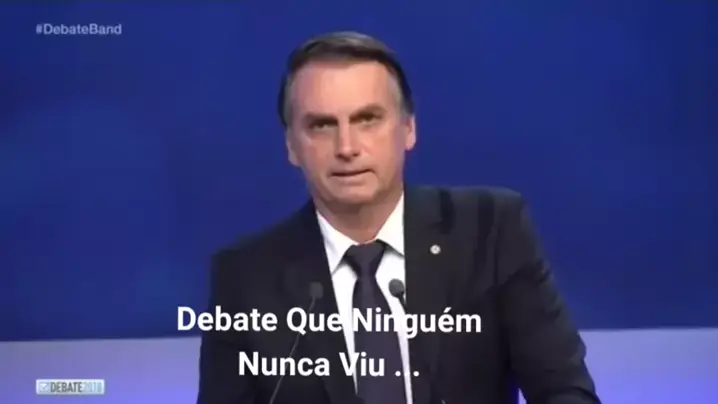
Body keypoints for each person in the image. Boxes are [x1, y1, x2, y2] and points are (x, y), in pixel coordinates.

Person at [197, 31, 600, 404]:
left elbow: (565, 392)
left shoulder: (490, 232)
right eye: (321, 125)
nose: (347, 147)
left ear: (408, 129)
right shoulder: (245, 279)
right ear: (291, 146)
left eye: (367, 119)